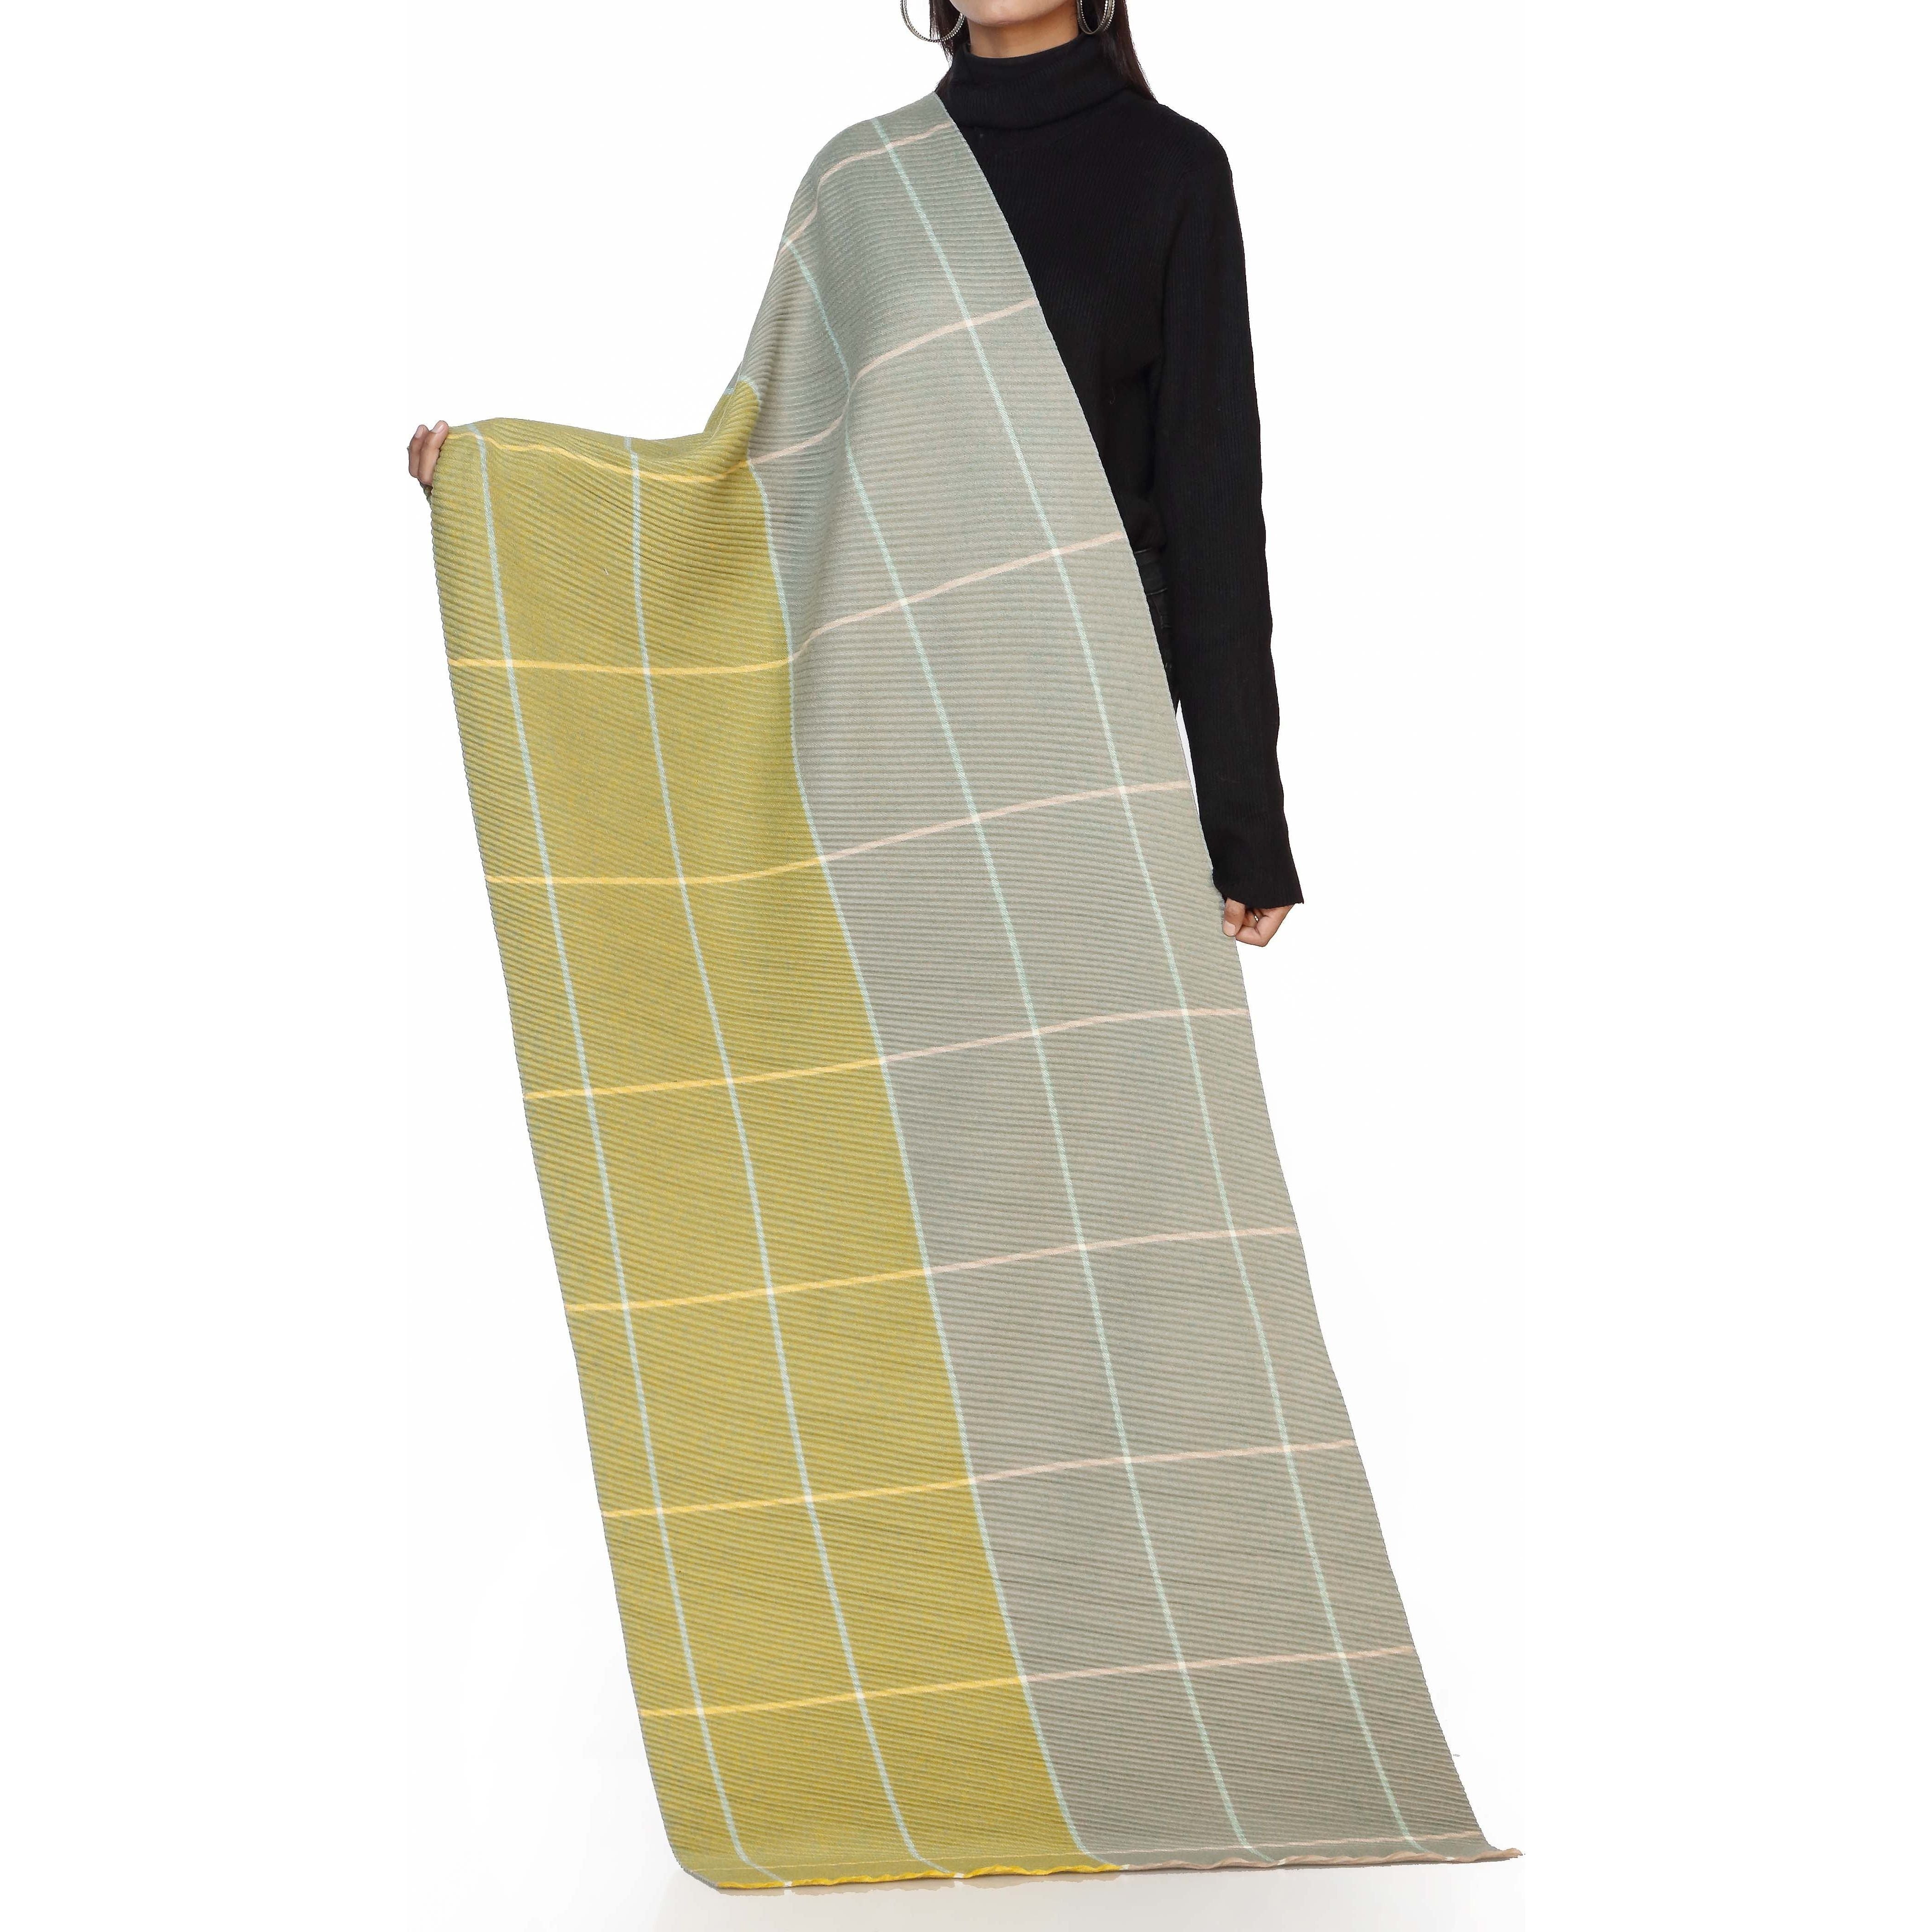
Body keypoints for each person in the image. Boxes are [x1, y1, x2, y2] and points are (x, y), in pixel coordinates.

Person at [409, 0, 1301, 947]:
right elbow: (761, 470)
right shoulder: (865, 181)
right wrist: (503, 491)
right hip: (894, 702)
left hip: (1086, 697)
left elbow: (1212, 506)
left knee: (1086, 1020)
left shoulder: (1172, 170)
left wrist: (1245, 821)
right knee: (898, 1021)